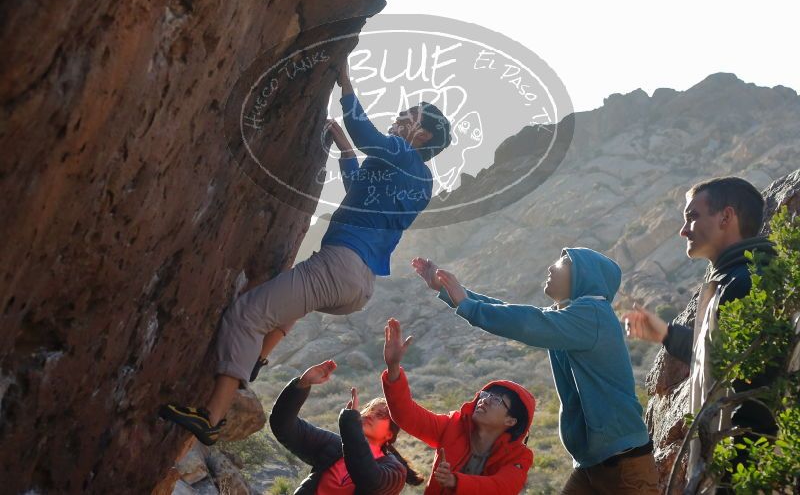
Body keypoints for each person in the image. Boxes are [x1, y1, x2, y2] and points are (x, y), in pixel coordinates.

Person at [159, 61, 451, 445]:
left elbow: (366, 133)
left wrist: (345, 82)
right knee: (290, 302)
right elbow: (359, 186)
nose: (397, 119)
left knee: (245, 315)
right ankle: (259, 358)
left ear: (421, 134)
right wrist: (345, 148)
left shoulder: (400, 151)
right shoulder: (420, 180)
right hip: (358, 286)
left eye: (406, 117)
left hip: (339, 265)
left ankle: (211, 416)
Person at [412, 247, 659, 494]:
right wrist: (450, 292)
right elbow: (509, 311)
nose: (551, 268)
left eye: (563, 262)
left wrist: (465, 303)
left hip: (625, 467)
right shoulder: (569, 316)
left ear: (584, 275)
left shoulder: (593, 315)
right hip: (592, 464)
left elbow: (527, 323)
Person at [622, 176, 777, 484]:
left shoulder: (747, 283)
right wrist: (667, 335)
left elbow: (755, 390)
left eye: (692, 217)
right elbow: (721, 357)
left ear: (726, 217)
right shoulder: (733, 280)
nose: (683, 230)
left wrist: (735, 480)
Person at [382, 318, 536, 494]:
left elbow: (503, 488)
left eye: (496, 400)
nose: (484, 400)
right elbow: (407, 416)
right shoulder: (453, 425)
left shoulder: (518, 456)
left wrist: (455, 481)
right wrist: (393, 368)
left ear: (511, 420)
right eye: (485, 395)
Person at [269, 359, 423, 494]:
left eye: (381, 415)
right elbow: (282, 425)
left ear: (390, 435)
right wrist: (303, 384)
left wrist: (350, 424)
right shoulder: (334, 446)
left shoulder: (395, 471)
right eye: (369, 410)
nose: (371, 415)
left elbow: (368, 478)